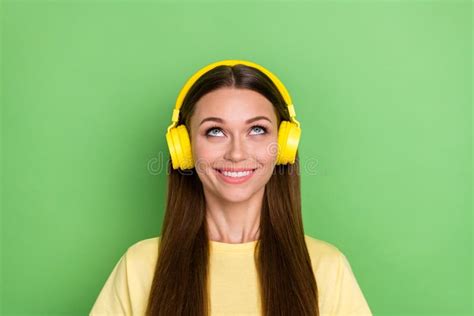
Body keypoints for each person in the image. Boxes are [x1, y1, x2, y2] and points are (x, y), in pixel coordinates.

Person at [90, 59, 372, 316]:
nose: (236, 153)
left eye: (257, 130)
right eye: (215, 131)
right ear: (185, 148)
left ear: (284, 146)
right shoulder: (140, 267)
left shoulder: (326, 268)